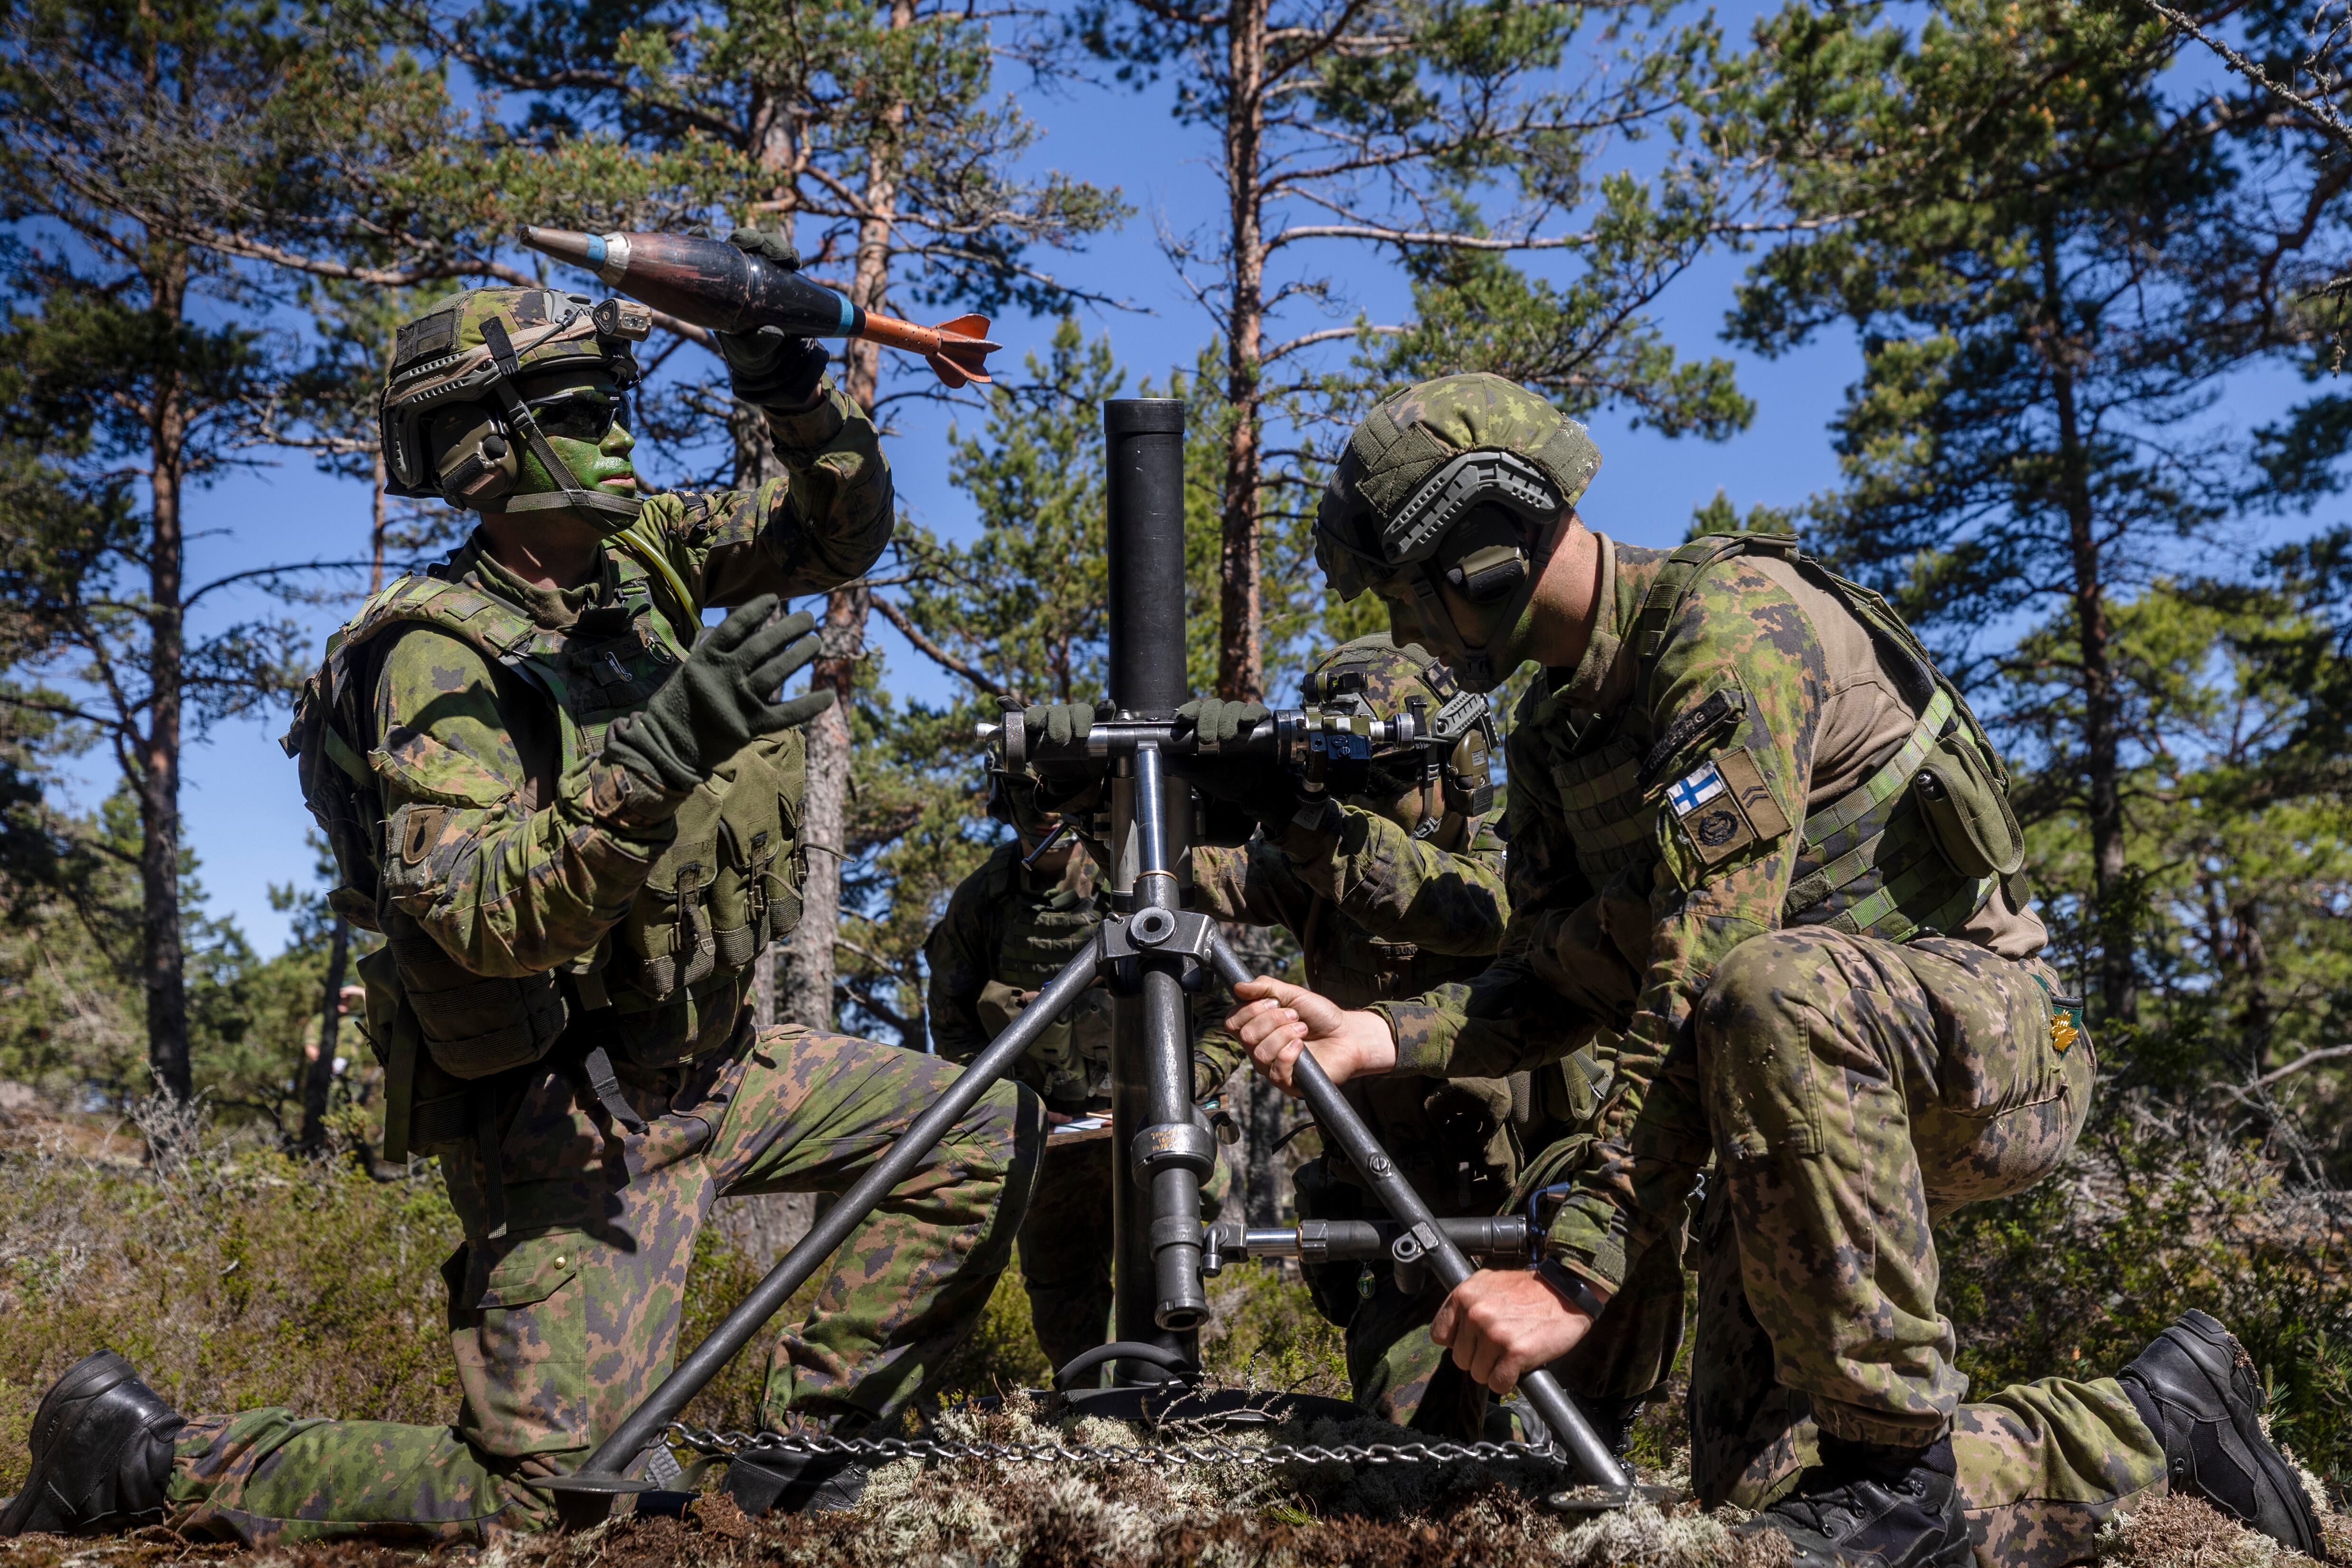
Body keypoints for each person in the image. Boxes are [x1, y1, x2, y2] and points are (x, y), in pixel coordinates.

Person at [1, 238, 1041, 1545]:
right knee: (544, 1498)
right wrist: (661, 757)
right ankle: (143, 1456)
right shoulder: (433, 656)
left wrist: (789, 384)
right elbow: (492, 917)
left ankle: (802, 1452)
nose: (622, 439)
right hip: (578, 1112)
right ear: (488, 453)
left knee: (974, 1120)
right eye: (585, 417)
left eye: (620, 409)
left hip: (719, 1068)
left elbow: (842, 530)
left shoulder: (646, 555)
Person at [1223, 372, 2326, 1566]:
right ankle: (2162, 1417)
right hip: (1797, 1097)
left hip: (1998, 1050)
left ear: (1482, 551)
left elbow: (1702, 973)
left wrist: (1575, 1273)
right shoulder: (1554, 736)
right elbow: (1559, 976)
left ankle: (1897, 1468)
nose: (1403, 633)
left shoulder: (1733, 629)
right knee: (1772, 1514)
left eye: (1403, 594)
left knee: (1767, 987)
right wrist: (1382, 1034)